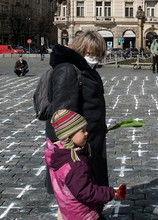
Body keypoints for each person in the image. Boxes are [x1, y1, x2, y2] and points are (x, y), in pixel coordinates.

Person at [45, 31, 109, 196]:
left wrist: (100, 126)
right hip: (75, 145)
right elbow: (62, 115)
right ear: (81, 50)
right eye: (91, 54)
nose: (94, 58)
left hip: (89, 139)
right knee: (74, 190)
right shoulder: (68, 70)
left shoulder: (87, 70)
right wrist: (71, 145)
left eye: (98, 55)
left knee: (87, 187)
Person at [46, 109, 125, 220]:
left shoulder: (59, 154)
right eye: (82, 131)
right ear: (68, 135)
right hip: (83, 214)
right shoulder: (74, 164)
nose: (87, 133)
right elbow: (85, 191)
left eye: (86, 129)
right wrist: (111, 193)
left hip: (70, 211)